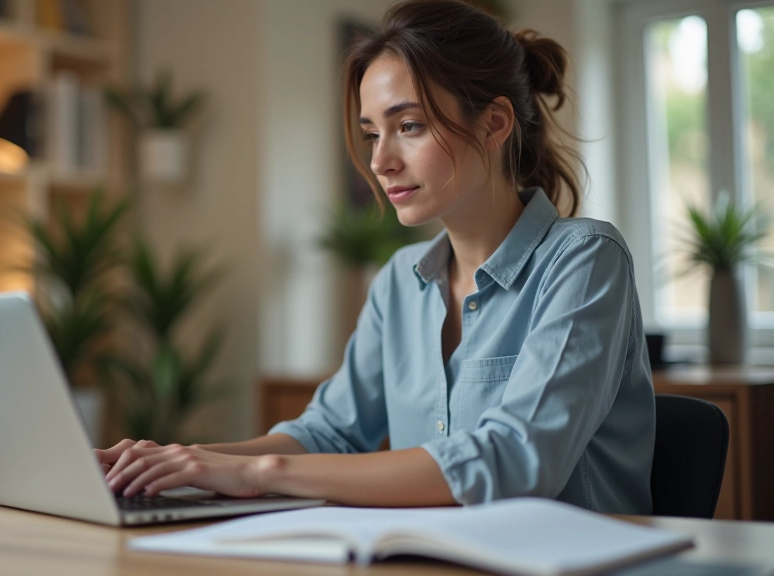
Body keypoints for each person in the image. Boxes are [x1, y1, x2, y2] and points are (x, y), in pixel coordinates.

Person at [96, 0, 654, 514]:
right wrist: (178, 460)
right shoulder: (397, 285)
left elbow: (515, 460)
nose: (382, 160)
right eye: (372, 134)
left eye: (408, 126)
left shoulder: (584, 261)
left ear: (495, 124)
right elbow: (329, 434)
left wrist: (260, 472)